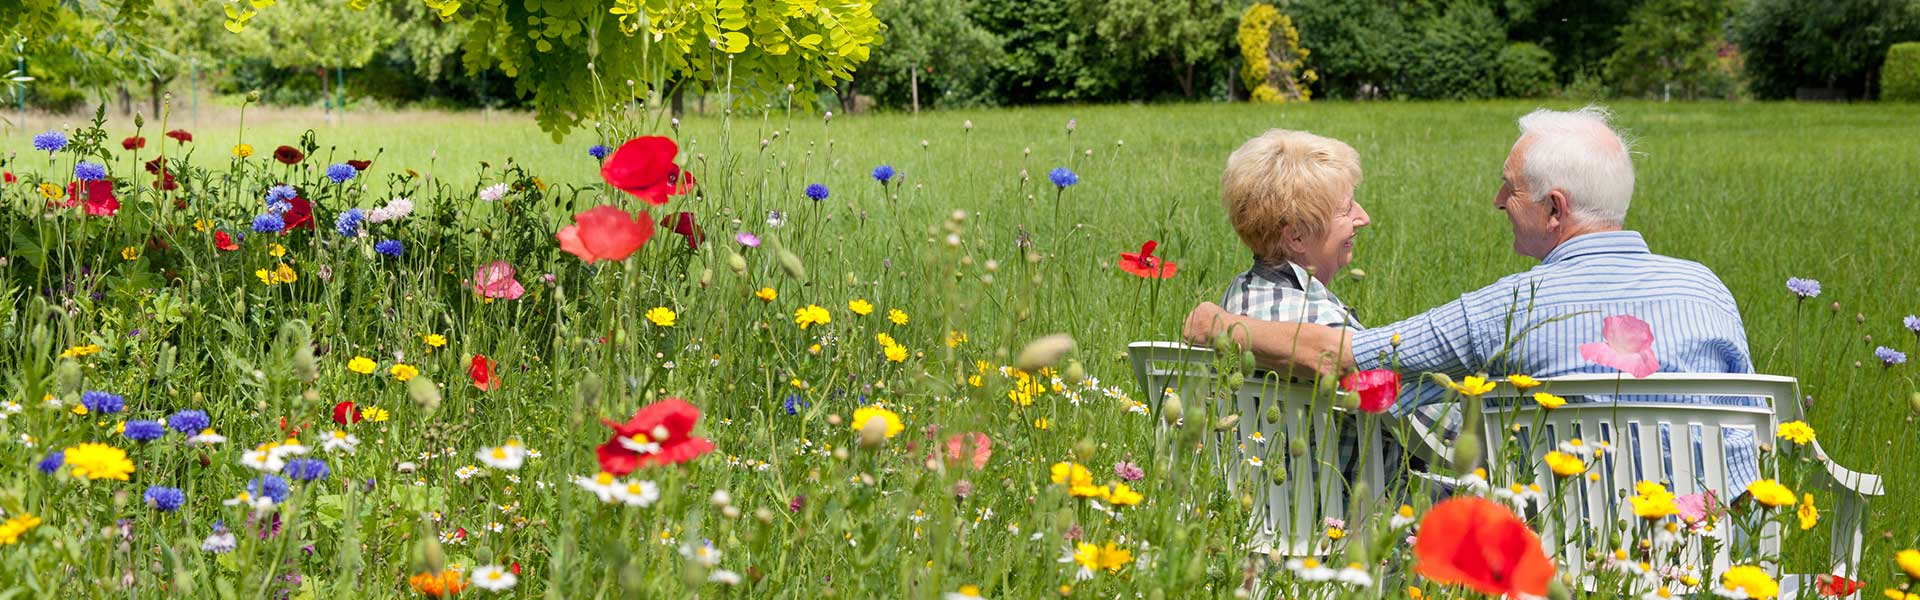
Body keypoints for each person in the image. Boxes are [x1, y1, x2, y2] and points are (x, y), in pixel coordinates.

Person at [1182, 106, 1760, 490]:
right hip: (1718, 550)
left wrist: (1216, 325)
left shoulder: (1505, 308)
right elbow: (1753, 429)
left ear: (1555, 208)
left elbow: (1350, 359)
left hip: (1568, 545)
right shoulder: (1709, 288)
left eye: (1510, 188)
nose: (1496, 200)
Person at [1217, 129, 1371, 328]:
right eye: (1347, 209)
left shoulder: (1239, 291)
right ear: (1297, 237)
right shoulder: (1325, 327)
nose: (1364, 218)